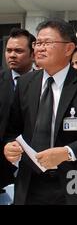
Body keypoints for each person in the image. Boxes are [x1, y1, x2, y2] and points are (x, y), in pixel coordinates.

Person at [3, 18, 77, 205]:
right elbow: (13, 129)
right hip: (31, 181)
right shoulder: (25, 83)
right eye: (38, 43)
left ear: (68, 49)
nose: (39, 48)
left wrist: (67, 152)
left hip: (73, 178)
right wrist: (10, 146)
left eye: (47, 43)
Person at [0, 28, 35, 190]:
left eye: (18, 51)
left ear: (33, 54)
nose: (12, 55)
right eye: (9, 50)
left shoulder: (45, 84)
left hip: (33, 162)